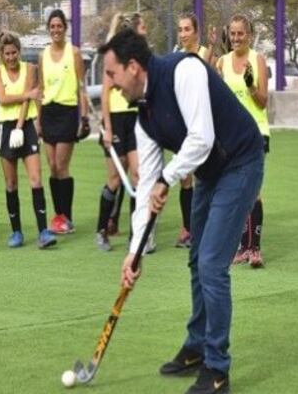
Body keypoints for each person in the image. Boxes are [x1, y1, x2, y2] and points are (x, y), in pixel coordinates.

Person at [102, 28, 263, 394]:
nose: (110, 85)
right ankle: (196, 345)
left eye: (112, 75)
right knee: (196, 260)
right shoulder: (143, 116)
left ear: (133, 67)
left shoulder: (184, 71)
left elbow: (202, 137)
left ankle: (217, 368)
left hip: (241, 162)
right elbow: (145, 189)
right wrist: (134, 253)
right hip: (210, 171)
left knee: (211, 263)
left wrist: (168, 178)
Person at [0, 31, 58, 249]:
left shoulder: (30, 69)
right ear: (1, 54)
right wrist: (27, 96)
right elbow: (3, 98)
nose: (11, 57)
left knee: (36, 179)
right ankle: (16, 232)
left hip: (25, 126)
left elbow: (27, 100)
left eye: (14, 52)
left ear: (19, 51)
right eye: (7, 53)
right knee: (11, 183)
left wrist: (21, 126)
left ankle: (43, 231)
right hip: (5, 128)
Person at [94, 13, 152, 253]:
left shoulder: (135, 60)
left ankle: (135, 233)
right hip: (115, 122)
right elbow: (106, 95)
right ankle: (101, 230)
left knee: (138, 176)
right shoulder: (113, 60)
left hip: (133, 117)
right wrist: (107, 128)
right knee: (115, 180)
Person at [216, 14, 269, 269]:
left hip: (256, 132)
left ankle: (255, 248)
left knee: (254, 190)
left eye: (241, 34)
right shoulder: (222, 63)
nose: (236, 38)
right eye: (233, 34)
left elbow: (262, 101)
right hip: (231, 135)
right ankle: (242, 247)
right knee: (237, 190)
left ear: (249, 35)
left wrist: (250, 86)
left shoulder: (258, 60)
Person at [37, 9, 91, 235]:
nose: (56, 30)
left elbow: (81, 88)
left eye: (59, 26)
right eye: (52, 26)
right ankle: (58, 217)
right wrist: (38, 120)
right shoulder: (42, 56)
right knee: (51, 167)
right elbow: (41, 89)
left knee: (61, 165)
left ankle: (66, 216)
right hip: (48, 112)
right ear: (48, 29)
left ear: (65, 29)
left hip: (68, 112)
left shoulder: (74, 53)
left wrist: (84, 116)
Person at [173, 13, 218, 248]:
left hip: (203, 125)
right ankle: (187, 228)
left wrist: (210, 48)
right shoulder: (176, 58)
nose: (182, 34)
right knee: (184, 178)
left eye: (187, 29)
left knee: (205, 177)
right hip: (183, 125)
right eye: (180, 29)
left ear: (196, 31)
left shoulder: (206, 55)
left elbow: (208, 78)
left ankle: (205, 227)